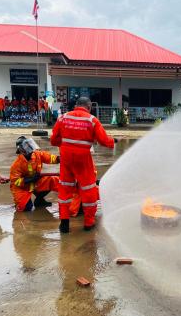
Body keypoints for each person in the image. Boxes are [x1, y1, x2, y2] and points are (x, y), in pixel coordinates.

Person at [51, 97, 116, 233]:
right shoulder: (92, 120)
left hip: (66, 158)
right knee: (88, 190)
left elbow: (54, 140)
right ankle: (88, 223)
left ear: (76, 105)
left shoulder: (62, 118)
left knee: (64, 189)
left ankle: (64, 222)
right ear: (89, 106)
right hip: (83, 159)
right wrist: (113, 141)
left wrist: (66, 145)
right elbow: (104, 141)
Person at [9, 136, 60, 212]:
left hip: (36, 182)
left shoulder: (37, 154)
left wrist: (59, 159)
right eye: (26, 146)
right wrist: (30, 179)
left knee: (52, 180)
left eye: (29, 144)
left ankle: (39, 201)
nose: (30, 147)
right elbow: (15, 181)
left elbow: (51, 158)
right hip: (22, 188)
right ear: (21, 149)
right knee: (26, 208)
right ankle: (19, 203)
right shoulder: (16, 165)